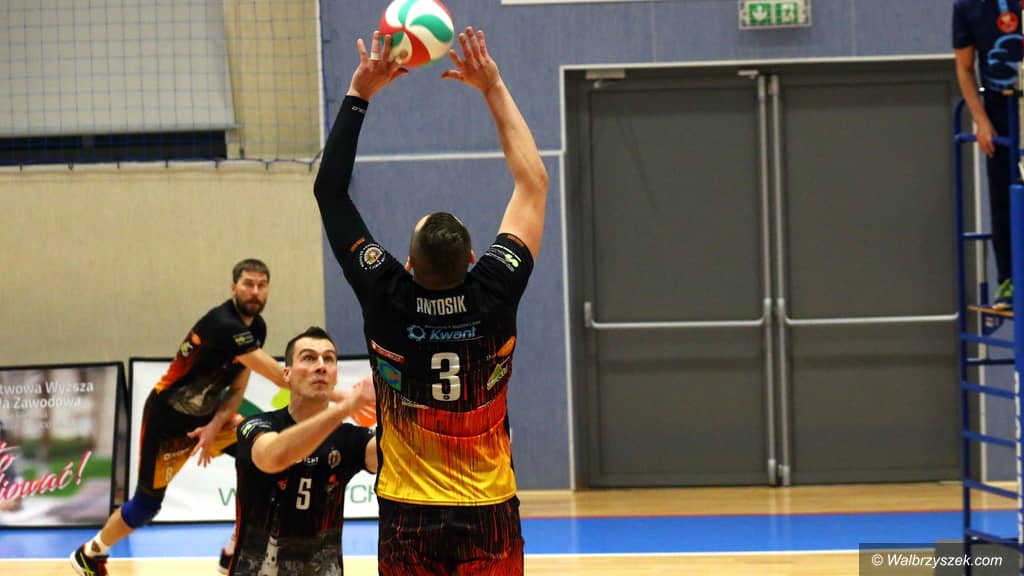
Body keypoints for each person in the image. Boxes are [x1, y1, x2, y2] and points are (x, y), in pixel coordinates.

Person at [314, 27, 548, 575]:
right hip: (489, 511)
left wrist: (359, 92)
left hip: (408, 515)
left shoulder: (386, 293)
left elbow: (330, 191)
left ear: (409, 263)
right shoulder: (495, 289)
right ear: (472, 258)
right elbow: (533, 183)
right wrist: (492, 86)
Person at [71, 259, 288, 576]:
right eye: (248, 284)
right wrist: (342, 399)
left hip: (209, 417)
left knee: (269, 459)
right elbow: (280, 378)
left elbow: (238, 387)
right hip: (167, 420)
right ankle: (90, 553)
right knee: (146, 504)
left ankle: (234, 550)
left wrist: (214, 427)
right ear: (234, 287)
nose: (255, 291)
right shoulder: (224, 324)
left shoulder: (258, 328)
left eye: (262, 285)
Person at [229, 326, 376, 576]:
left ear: (336, 376)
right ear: (286, 374)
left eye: (329, 359)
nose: (321, 366)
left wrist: (394, 404)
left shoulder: (350, 438)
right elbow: (273, 457)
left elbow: (390, 455)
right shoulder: (256, 425)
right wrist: (344, 408)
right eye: (309, 358)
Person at [954, 0, 1023, 309]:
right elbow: (965, 68)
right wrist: (981, 120)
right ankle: (1009, 280)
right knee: (1004, 195)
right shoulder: (967, 7)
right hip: (1000, 106)